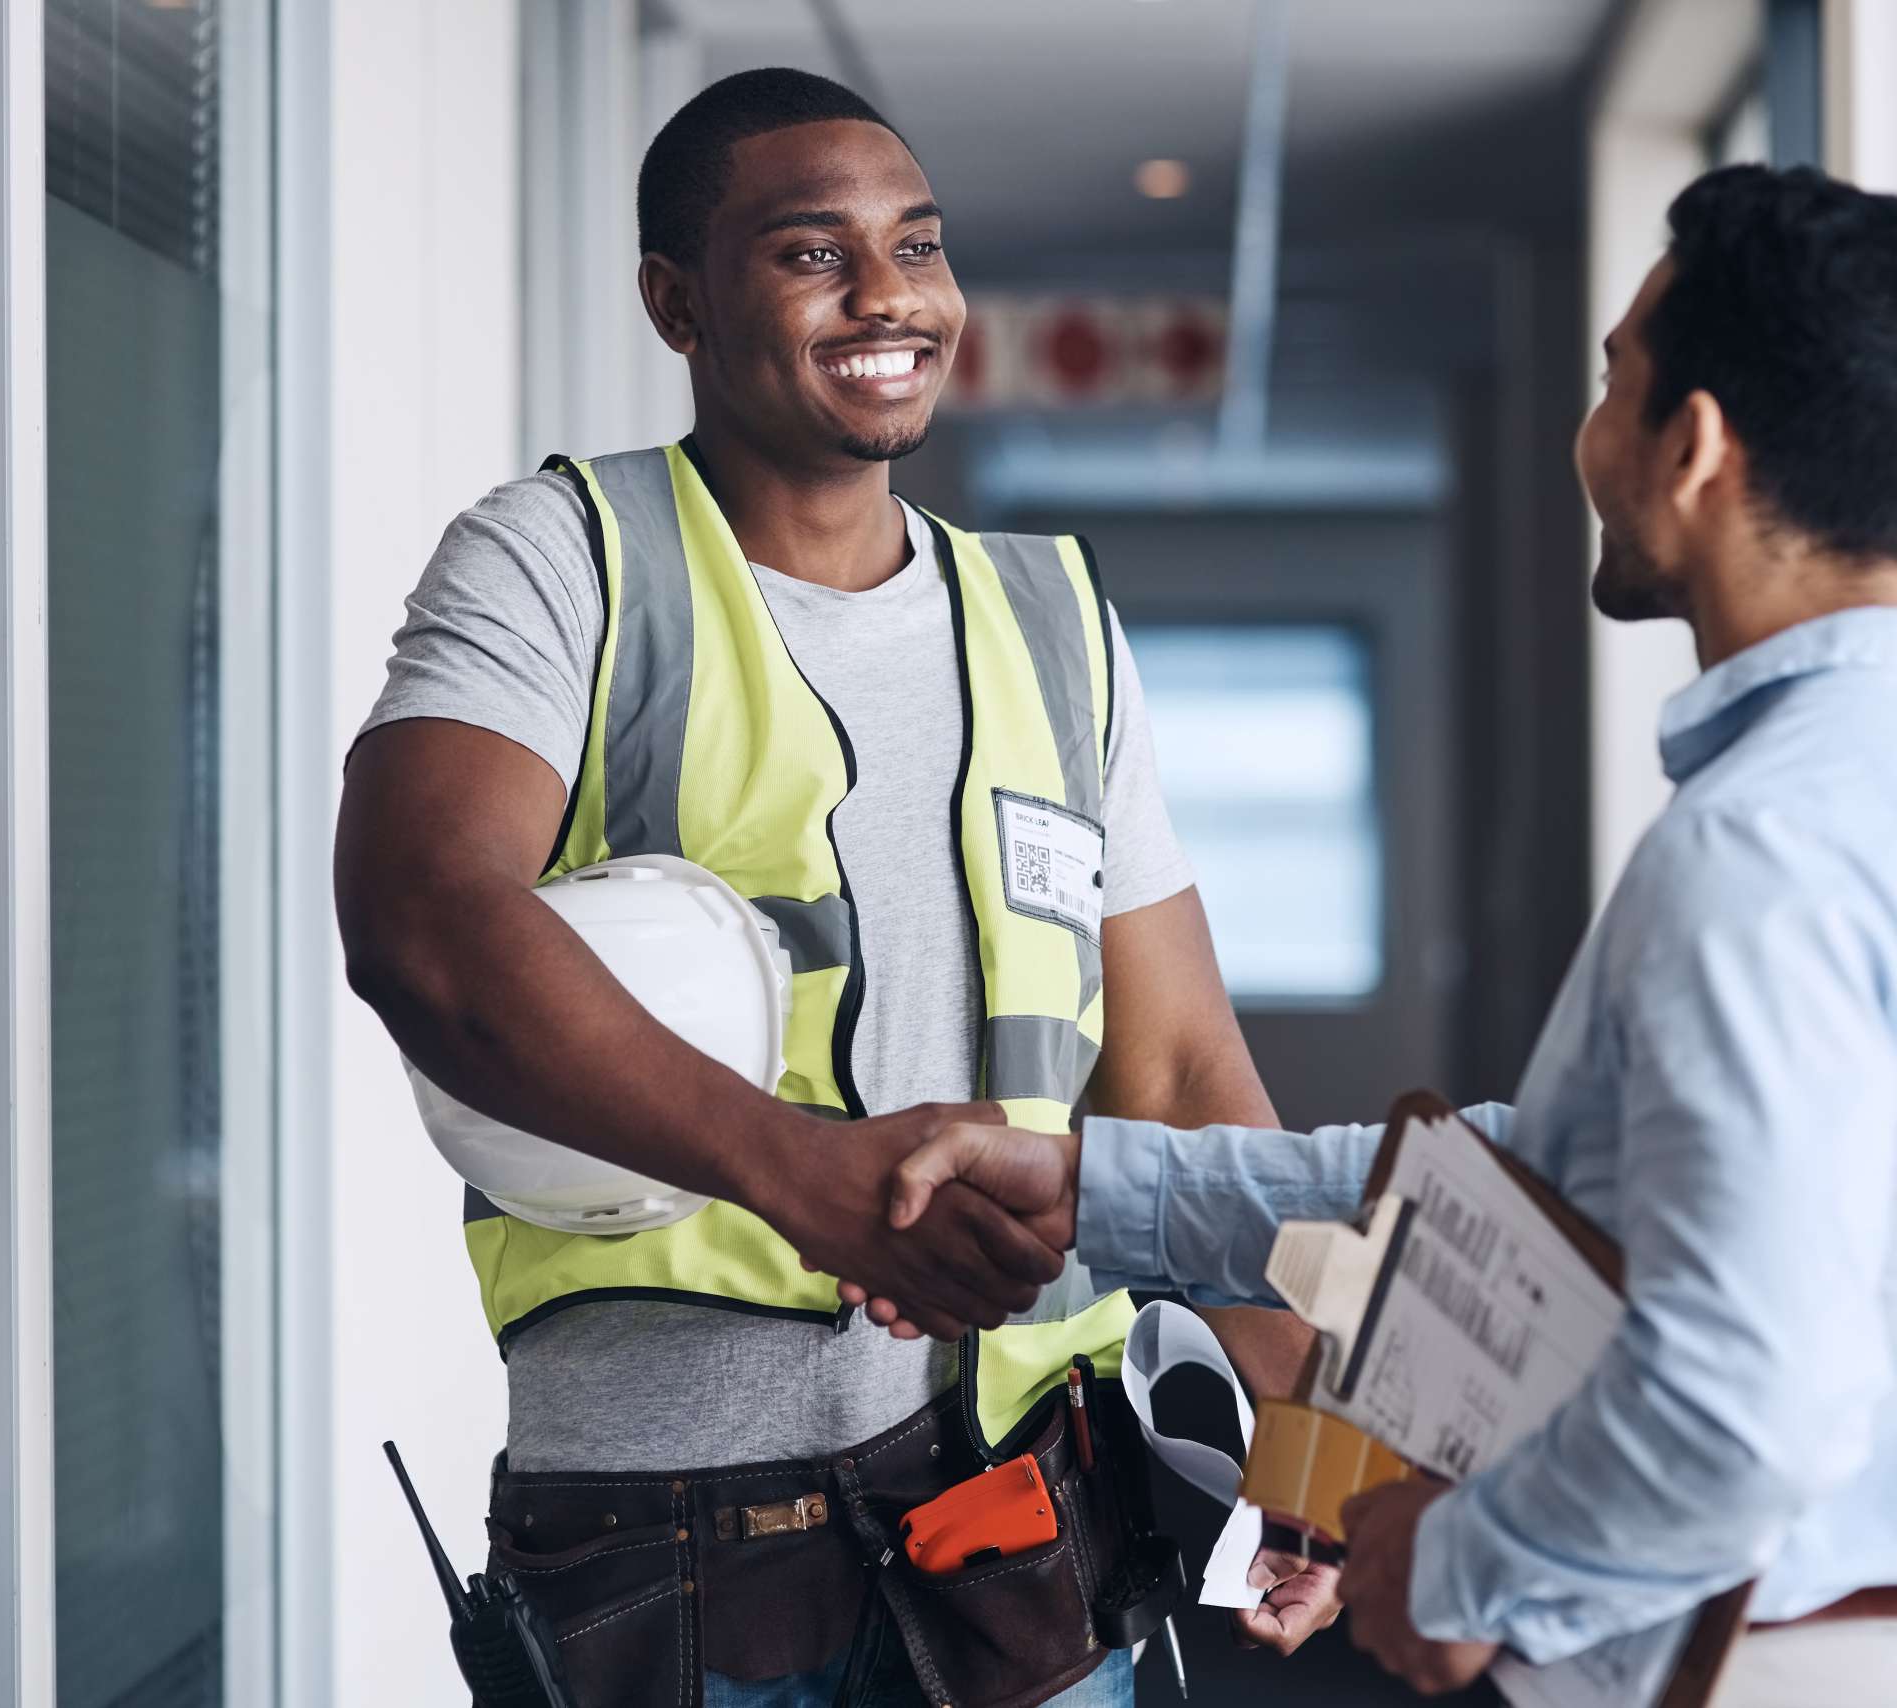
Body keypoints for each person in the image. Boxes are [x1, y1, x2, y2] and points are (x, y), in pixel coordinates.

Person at [852, 164, 1897, 1707]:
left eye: (1616, 378)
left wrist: (1464, 1560)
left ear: (1691, 448)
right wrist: (1095, 1187)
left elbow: (1748, 1404)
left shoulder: (1766, 845)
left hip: (1757, 1668)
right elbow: (1551, 1186)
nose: (1591, 435)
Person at [336, 67, 1326, 1708]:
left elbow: (1183, 1073)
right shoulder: (563, 559)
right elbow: (423, 919)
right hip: (679, 1567)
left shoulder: (1055, 618)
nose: (889, 297)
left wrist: (1316, 1447)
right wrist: (802, 1176)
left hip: (1034, 1547)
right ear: (677, 303)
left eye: (917, 245)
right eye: (813, 253)